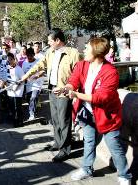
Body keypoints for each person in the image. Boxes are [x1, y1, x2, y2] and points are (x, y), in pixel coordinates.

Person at [62, 37, 131, 184]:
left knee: (115, 147)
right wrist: (67, 88)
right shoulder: (81, 65)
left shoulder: (110, 72)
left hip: (107, 116)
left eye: (87, 48)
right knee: (89, 142)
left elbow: (101, 98)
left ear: (97, 52)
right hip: (87, 114)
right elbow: (73, 80)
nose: (84, 50)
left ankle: (124, 176)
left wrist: (76, 94)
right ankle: (87, 169)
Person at [21, 29, 80, 162]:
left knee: (64, 120)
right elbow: (40, 65)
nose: (48, 43)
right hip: (52, 89)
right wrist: (27, 75)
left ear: (58, 40)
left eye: (50, 41)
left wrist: (73, 92)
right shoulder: (50, 52)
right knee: (55, 119)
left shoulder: (72, 53)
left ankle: (65, 149)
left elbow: (77, 74)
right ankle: (58, 143)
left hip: (65, 90)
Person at [7, 52, 25, 127]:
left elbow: (22, 79)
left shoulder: (19, 69)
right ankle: (14, 120)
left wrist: (16, 87)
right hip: (10, 91)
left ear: (14, 59)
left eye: (11, 59)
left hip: (18, 91)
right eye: (8, 60)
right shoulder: (7, 69)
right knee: (12, 106)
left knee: (17, 107)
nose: (10, 61)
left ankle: (19, 121)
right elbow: (5, 79)